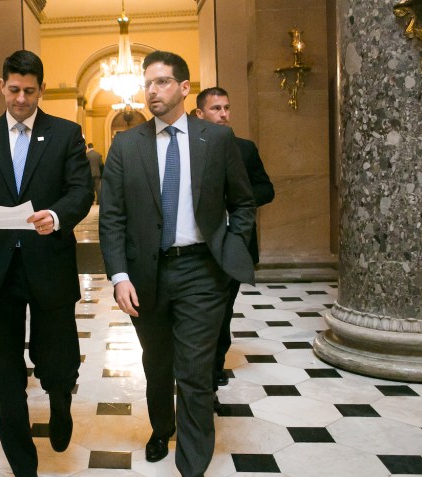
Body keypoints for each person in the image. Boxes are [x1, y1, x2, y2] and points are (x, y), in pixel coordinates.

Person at [99, 51, 255, 477]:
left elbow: (243, 202)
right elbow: (111, 216)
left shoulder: (216, 139)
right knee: (157, 362)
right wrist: (119, 276)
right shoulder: (126, 145)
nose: (152, 90)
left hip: (202, 271)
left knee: (194, 370)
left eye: (163, 82)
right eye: (148, 82)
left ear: (184, 88)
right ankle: (160, 428)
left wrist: (230, 245)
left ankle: (191, 464)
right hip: (146, 275)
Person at [0, 50, 93, 477]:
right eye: (14, 90)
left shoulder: (65, 133)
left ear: (42, 89)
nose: (21, 99)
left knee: (58, 356)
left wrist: (57, 216)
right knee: (5, 369)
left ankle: (61, 403)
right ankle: (21, 459)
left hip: (49, 263)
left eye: (30, 91)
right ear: (1, 86)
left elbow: (80, 191)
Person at [195, 86, 275, 389]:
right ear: (200, 114)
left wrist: (236, 198)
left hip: (234, 242)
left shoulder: (244, 148)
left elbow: (266, 189)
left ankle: (215, 367)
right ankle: (195, 366)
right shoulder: (189, 149)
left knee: (223, 312)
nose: (224, 114)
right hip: (198, 246)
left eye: (226, 108)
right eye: (216, 109)